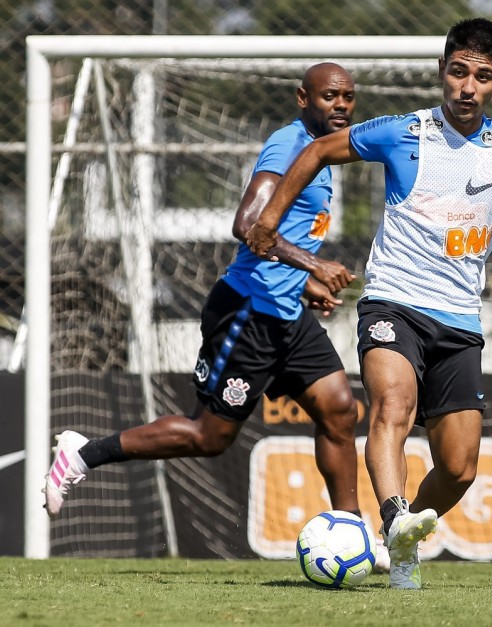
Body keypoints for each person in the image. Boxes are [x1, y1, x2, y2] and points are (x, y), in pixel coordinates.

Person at [246, 18, 492, 590]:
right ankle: (397, 514)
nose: (466, 87)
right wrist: (269, 219)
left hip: (458, 317)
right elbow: (320, 150)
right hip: (392, 301)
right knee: (391, 408)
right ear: (442, 73)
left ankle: (399, 547)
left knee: (459, 466)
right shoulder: (403, 133)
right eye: (457, 72)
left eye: (480, 76)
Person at [43, 63, 388, 569]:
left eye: (349, 97)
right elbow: (248, 225)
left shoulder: (326, 156)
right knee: (209, 437)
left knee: (339, 411)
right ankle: (82, 454)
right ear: (302, 98)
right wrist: (315, 263)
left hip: (285, 312)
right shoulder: (288, 146)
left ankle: (354, 533)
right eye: (330, 96)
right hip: (246, 312)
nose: (341, 106)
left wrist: (305, 283)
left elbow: (278, 237)